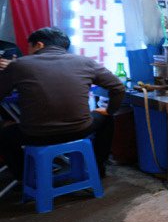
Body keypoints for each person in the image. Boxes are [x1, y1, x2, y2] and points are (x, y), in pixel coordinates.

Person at [0, 27, 126, 196]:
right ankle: (98, 168)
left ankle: (25, 178)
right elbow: (118, 87)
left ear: (38, 44)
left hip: (35, 135)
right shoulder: (85, 62)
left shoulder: (19, 65)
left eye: (29, 48)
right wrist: (110, 110)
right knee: (107, 118)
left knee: (5, 132)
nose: (28, 52)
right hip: (80, 130)